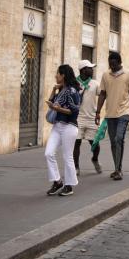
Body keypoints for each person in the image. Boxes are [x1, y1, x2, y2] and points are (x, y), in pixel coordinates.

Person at [95, 52, 129, 180]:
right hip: (110, 114)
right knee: (113, 142)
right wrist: (97, 111)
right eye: (110, 64)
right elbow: (102, 94)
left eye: (114, 64)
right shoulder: (105, 75)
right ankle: (117, 168)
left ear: (119, 62)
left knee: (119, 139)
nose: (111, 67)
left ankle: (118, 170)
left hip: (124, 112)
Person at [45, 64, 82, 197]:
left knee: (67, 157)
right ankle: (57, 181)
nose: (56, 75)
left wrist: (57, 109)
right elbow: (51, 102)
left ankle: (69, 185)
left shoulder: (72, 91)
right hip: (57, 126)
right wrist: (54, 89)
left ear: (63, 75)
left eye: (57, 73)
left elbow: (74, 111)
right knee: (48, 153)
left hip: (69, 126)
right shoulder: (61, 90)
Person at [72, 60, 101, 175]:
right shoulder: (74, 83)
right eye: (90, 68)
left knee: (95, 144)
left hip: (91, 118)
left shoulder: (95, 83)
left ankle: (95, 159)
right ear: (84, 70)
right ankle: (76, 167)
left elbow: (103, 95)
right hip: (77, 118)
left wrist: (98, 112)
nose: (92, 70)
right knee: (76, 143)